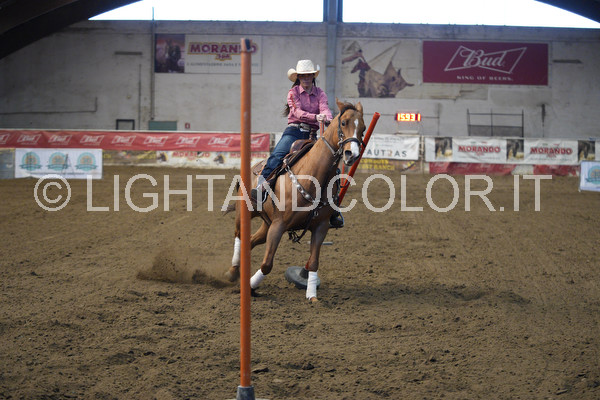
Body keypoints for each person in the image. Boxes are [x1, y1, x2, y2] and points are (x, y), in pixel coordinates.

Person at [251, 59, 344, 228]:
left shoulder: (320, 93)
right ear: (298, 77)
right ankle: (261, 188)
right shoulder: (293, 93)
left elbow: (325, 108)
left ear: (313, 76)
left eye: (308, 75)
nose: (306, 78)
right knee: (277, 155)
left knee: (331, 166)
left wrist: (328, 118)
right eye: (303, 76)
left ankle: (332, 207)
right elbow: (297, 112)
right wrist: (316, 117)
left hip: (312, 134)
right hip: (294, 131)